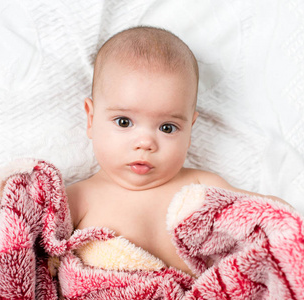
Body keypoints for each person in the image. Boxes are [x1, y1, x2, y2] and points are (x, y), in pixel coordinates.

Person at [66, 25, 287, 277]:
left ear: (189, 129)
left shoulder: (200, 187)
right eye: (124, 122)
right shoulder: (80, 197)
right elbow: (25, 224)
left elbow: (265, 214)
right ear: (91, 119)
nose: (146, 143)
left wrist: (282, 220)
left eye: (167, 127)